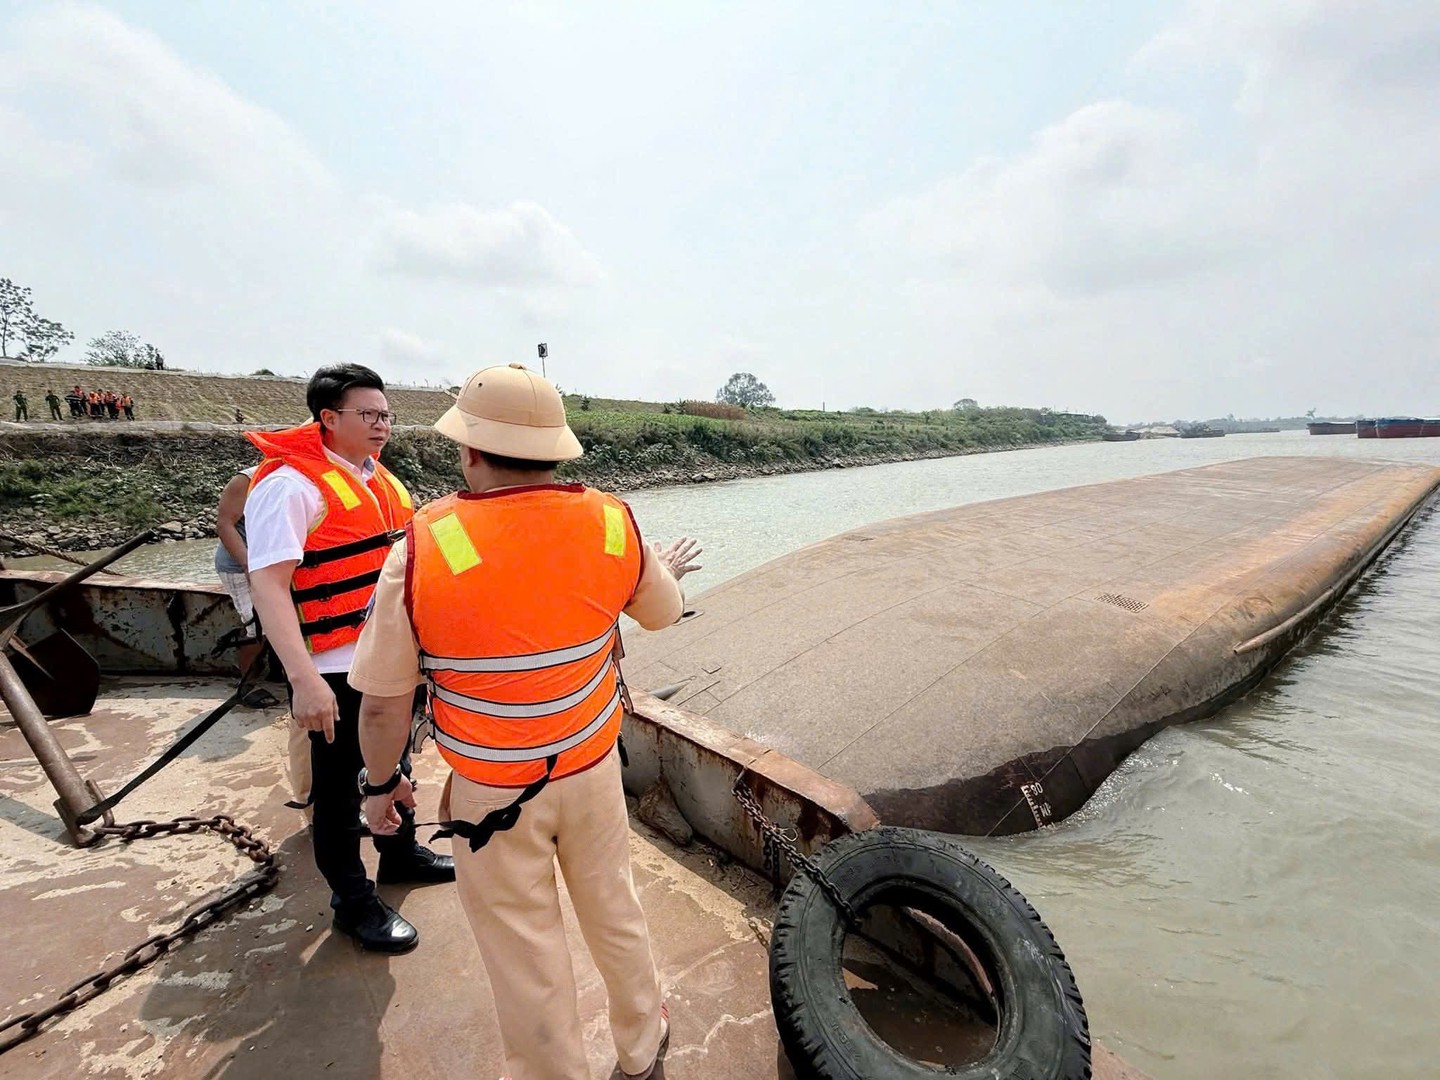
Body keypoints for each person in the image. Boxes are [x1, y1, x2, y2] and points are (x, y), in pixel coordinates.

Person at [353, 363, 703, 1080]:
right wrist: (653, 566)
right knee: (615, 910)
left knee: (523, 948)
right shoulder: (613, 522)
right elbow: (660, 613)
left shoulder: (420, 547)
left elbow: (386, 702)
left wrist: (381, 784)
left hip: (491, 791)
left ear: (470, 451)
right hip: (591, 768)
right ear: (557, 451)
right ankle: (641, 1045)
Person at [245, 363, 451, 954]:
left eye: (386, 414)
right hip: (334, 668)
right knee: (337, 793)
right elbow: (270, 587)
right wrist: (305, 681)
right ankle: (352, 900)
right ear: (328, 419)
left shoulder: (377, 479)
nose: (382, 424)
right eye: (369, 414)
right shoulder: (291, 486)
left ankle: (401, 853)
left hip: (393, 659)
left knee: (393, 762)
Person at [214, 467, 280, 711]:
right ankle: (246, 685)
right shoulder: (246, 480)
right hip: (240, 565)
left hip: (274, 564)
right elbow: (224, 525)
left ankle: (276, 671)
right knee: (255, 626)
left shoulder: (301, 475)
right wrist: (249, 566)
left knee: (281, 619)